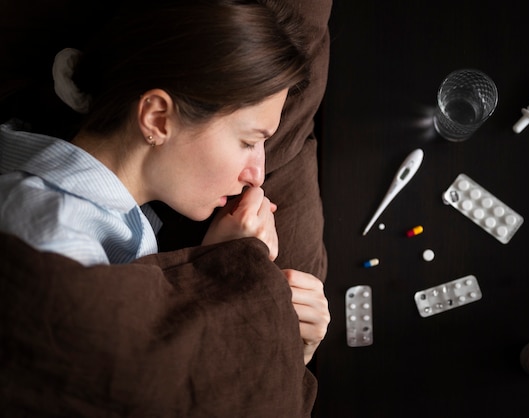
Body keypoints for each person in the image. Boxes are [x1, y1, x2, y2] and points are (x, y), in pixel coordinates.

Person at [0, 0, 329, 365]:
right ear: (157, 119)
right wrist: (225, 269)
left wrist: (290, 345)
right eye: (248, 141)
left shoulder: (120, 215)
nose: (256, 173)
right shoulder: (51, 236)